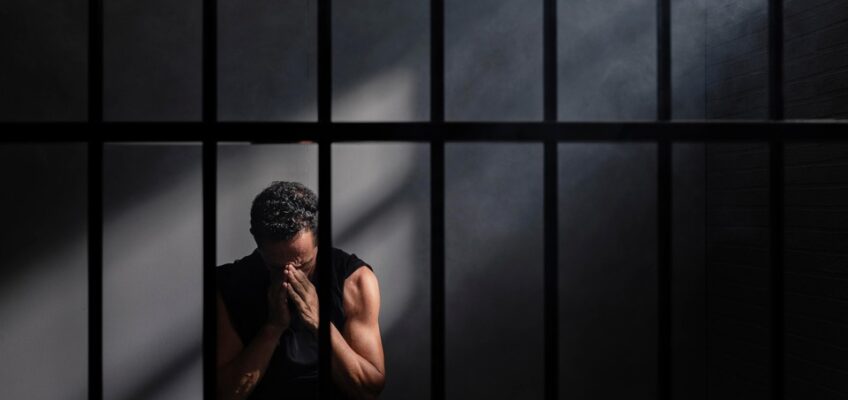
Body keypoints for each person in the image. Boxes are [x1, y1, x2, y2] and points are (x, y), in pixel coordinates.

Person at [216, 181, 385, 400]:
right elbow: (224, 394)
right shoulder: (227, 286)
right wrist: (273, 327)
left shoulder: (355, 281)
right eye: (277, 267)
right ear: (257, 241)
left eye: (303, 265)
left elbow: (368, 390)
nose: (290, 275)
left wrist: (319, 322)